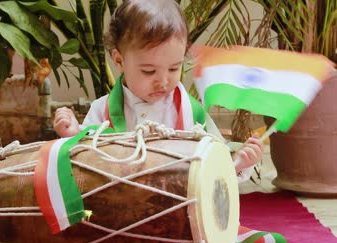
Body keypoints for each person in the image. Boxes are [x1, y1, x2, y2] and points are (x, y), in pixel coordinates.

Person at [53, 0, 263, 176]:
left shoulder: (191, 110)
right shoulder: (103, 110)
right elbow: (85, 163)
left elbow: (216, 162)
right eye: (148, 71)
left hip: (179, 206)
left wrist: (239, 161)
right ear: (118, 60)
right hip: (121, 207)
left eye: (174, 68)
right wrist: (72, 135)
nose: (163, 81)